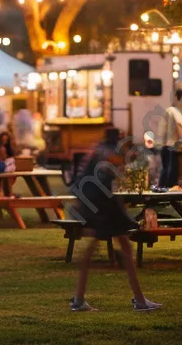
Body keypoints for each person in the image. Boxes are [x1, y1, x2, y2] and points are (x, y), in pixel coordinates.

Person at [68, 128, 161, 313]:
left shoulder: (99, 149)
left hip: (92, 199)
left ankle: (80, 299)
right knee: (122, 247)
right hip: (101, 201)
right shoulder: (108, 151)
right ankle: (139, 301)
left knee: (109, 247)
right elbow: (118, 163)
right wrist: (133, 155)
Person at [158, 89, 182, 188]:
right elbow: (180, 122)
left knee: (165, 170)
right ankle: (168, 189)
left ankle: (161, 188)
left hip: (164, 146)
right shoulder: (175, 111)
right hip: (172, 146)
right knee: (171, 170)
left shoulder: (168, 110)